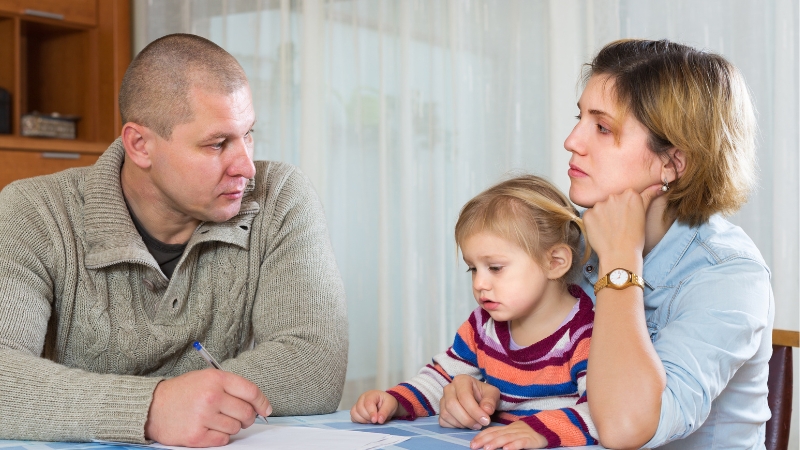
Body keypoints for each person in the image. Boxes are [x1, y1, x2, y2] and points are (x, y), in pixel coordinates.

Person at [0, 33, 348, 446]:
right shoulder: (31, 210)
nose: (247, 167)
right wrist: (153, 408)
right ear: (140, 145)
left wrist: (183, 405)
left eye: (249, 134)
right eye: (218, 143)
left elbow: (314, 366)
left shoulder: (280, 197)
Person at [439, 39, 774, 450]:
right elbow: (509, 353)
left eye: (602, 127)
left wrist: (620, 260)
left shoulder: (729, 275)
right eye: (579, 118)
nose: (572, 141)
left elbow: (624, 427)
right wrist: (474, 386)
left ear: (672, 163)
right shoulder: (567, 241)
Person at [351, 175, 599, 449]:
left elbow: (602, 412)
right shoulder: (482, 326)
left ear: (555, 262)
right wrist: (395, 402)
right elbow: (442, 378)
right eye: (473, 269)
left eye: (495, 268)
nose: (479, 284)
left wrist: (538, 431)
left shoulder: (586, 334)